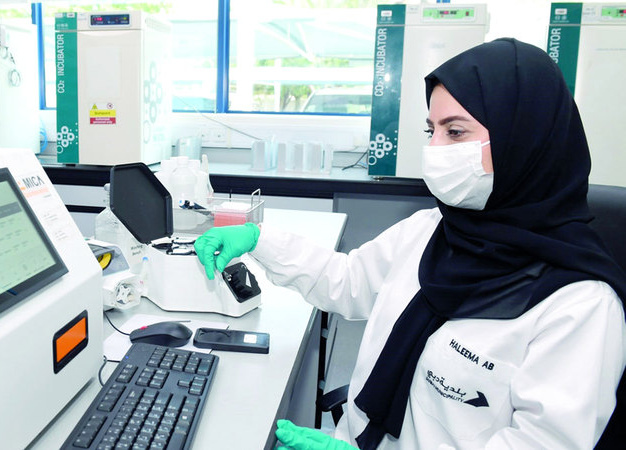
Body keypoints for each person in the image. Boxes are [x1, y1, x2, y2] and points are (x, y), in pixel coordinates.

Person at [194, 38, 626, 449]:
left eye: (455, 132)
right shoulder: (433, 229)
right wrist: (258, 239)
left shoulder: (580, 308)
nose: (434, 149)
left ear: (524, 140)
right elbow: (347, 282)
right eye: (431, 130)